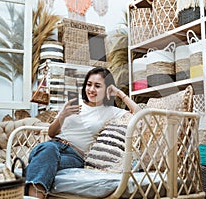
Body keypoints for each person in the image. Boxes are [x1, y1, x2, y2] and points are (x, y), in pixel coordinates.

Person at [25, 66, 140, 198]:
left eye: (97, 86)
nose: (91, 90)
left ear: (108, 88)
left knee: (42, 161)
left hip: (74, 156)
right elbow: (51, 133)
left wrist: (120, 93)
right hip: (52, 146)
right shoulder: (74, 102)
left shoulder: (111, 111)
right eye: (89, 84)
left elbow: (140, 114)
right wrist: (62, 115)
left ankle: (30, 194)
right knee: (49, 149)